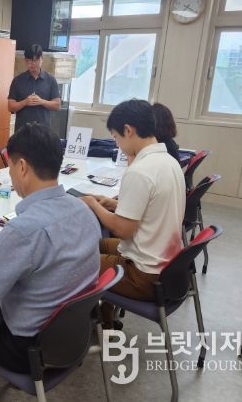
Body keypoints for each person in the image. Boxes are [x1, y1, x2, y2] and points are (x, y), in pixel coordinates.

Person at [0, 123, 101, 401]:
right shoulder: (83, 209)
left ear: (22, 167)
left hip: (26, 346)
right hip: (70, 335)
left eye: (11, 166)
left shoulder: (23, 229)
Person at [80, 99, 185, 329]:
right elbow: (152, 208)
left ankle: (84, 326)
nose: (117, 145)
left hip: (142, 274)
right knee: (92, 244)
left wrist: (93, 205)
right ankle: (105, 316)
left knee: (75, 261)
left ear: (128, 130)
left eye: (116, 138)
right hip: (165, 266)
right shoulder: (169, 162)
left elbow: (123, 230)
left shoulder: (140, 171)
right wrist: (113, 203)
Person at [8, 44, 61, 133]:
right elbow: (10, 107)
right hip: (22, 131)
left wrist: (42, 101)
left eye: (36, 60)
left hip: (43, 131)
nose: (32, 64)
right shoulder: (17, 80)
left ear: (41, 59)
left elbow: (57, 105)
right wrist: (25, 102)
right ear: (25, 61)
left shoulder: (50, 80)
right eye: (29, 61)